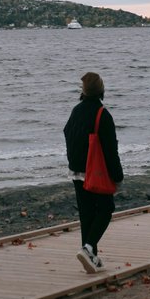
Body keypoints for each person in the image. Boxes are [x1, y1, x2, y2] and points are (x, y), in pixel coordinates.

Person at [63, 71, 124, 273]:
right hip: (96, 173)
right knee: (106, 209)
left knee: (86, 214)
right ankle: (88, 248)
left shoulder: (75, 111)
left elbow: (67, 134)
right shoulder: (102, 114)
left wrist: (74, 162)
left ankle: (91, 258)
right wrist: (118, 176)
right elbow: (110, 149)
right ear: (101, 90)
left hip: (76, 171)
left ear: (84, 90)